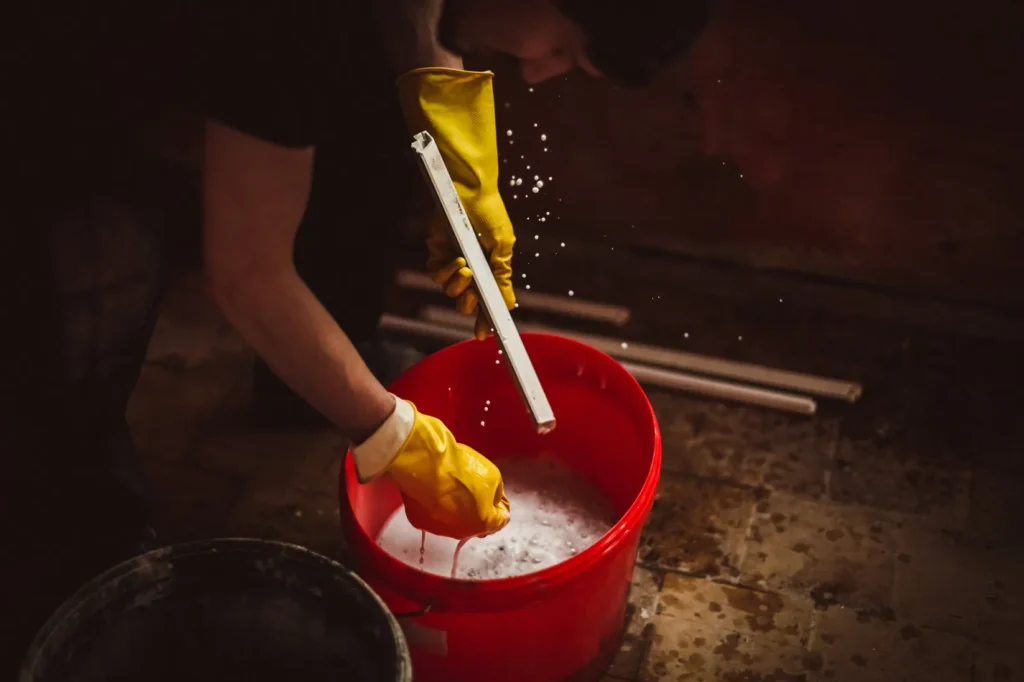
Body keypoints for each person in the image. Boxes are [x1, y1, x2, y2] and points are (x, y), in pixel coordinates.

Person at [2, 0, 713, 671]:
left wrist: (458, 151)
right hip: (50, 51)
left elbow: (417, 8)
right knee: (89, 295)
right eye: (563, 45)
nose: (536, 70)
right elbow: (246, 274)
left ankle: (305, 369)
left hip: (270, 42)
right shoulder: (296, 26)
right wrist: (392, 433)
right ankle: (75, 560)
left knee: (381, 107)